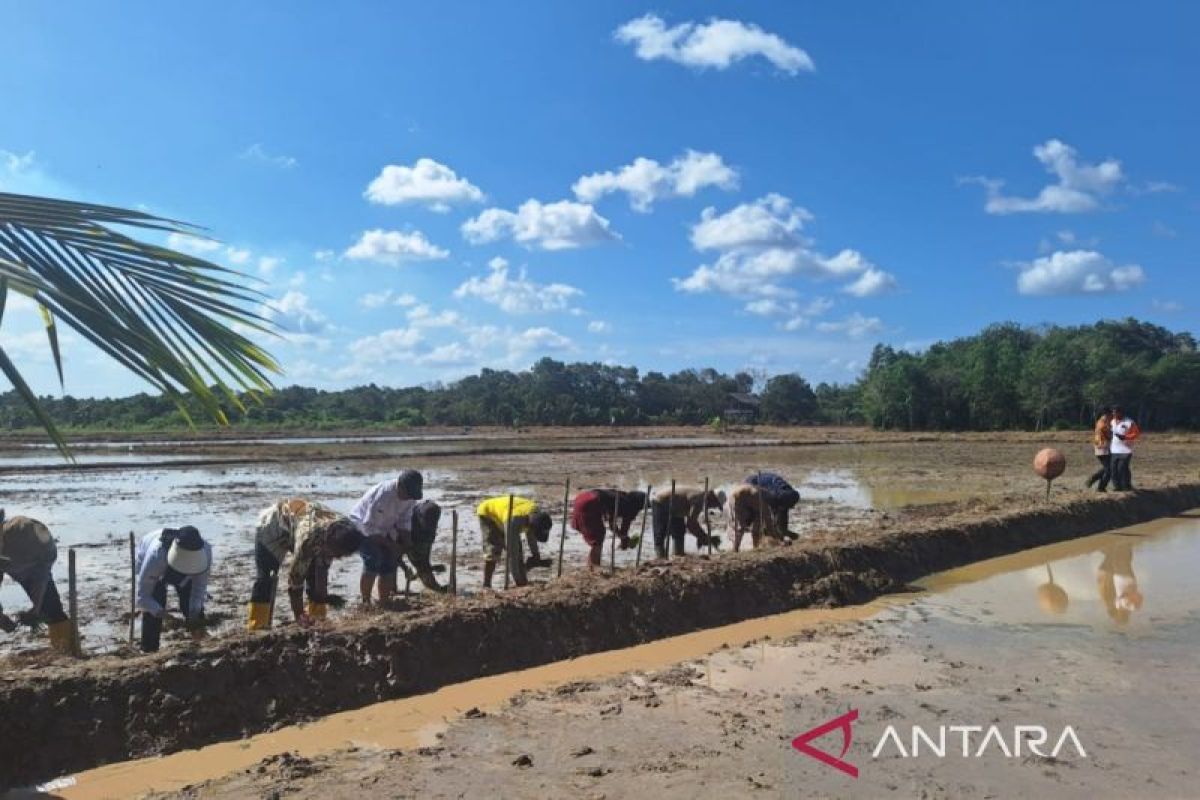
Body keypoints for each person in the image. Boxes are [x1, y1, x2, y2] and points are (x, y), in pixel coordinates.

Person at [248, 498, 365, 630]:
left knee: (315, 574)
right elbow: (295, 584)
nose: (338, 557)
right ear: (330, 542)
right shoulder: (308, 541)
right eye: (337, 553)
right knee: (267, 578)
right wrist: (299, 616)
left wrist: (322, 597)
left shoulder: (346, 530)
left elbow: (321, 570)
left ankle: (318, 619)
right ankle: (258, 625)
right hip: (272, 528)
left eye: (343, 555)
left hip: (301, 526)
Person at [0, 511, 75, 654]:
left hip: (31, 562)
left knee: (51, 610)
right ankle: (66, 650)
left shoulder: (25, 537)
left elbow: (41, 575)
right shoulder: (19, 532)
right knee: (49, 609)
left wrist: (36, 608)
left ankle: (66, 651)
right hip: (26, 561)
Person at [351, 470, 423, 604]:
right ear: (400, 486)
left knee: (390, 562)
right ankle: (366, 602)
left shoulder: (410, 497)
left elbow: (404, 520)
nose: (409, 498)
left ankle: (384, 601)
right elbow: (369, 527)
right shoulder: (383, 495)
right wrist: (391, 545)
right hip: (362, 528)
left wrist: (407, 543)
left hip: (385, 528)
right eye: (408, 494)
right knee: (373, 559)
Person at [135, 526, 211, 653]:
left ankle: (200, 639)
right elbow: (142, 597)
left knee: (191, 602)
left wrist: (194, 615)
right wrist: (163, 614)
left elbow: (199, 590)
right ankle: (149, 649)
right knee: (155, 601)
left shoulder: (205, 552)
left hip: (186, 572)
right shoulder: (156, 556)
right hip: (156, 565)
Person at [476, 495, 553, 588]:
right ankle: (486, 585)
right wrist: (519, 585)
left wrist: (536, 555)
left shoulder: (536, 516)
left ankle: (522, 581)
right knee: (493, 550)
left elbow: (531, 537)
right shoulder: (515, 521)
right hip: (488, 514)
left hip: (508, 514)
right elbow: (512, 554)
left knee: (519, 552)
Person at [572, 489, 647, 570]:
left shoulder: (619, 497)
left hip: (582, 497)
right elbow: (624, 527)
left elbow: (612, 524)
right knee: (598, 536)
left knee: (598, 535)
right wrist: (624, 538)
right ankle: (594, 565)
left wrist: (622, 537)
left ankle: (591, 565)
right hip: (591, 502)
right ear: (638, 505)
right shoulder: (629, 507)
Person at [650, 487, 722, 559]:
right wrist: (704, 538)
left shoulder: (702, 497)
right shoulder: (700, 500)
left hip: (676, 508)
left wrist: (702, 537)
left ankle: (678, 555)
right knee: (660, 532)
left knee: (679, 531)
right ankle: (660, 558)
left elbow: (691, 522)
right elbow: (691, 524)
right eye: (715, 504)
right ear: (712, 498)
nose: (713, 507)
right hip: (660, 501)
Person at [727, 483, 787, 552]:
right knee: (741, 527)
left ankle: (755, 547)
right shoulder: (765, 501)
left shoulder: (766, 497)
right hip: (738, 498)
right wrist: (780, 539)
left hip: (748, 499)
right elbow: (769, 525)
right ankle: (735, 549)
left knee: (757, 526)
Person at [745, 472, 801, 540]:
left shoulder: (788, 493)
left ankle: (780, 534)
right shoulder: (774, 495)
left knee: (780, 526)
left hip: (777, 494)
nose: (793, 507)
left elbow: (780, 510)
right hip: (757, 488)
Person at [1108, 406, 1141, 492]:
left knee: (1122, 468)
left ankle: (1126, 486)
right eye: (1113, 412)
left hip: (1125, 450)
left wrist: (1125, 437)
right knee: (1113, 470)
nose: (1113, 414)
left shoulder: (1129, 422)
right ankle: (1117, 487)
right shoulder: (1112, 422)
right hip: (1114, 450)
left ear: (1121, 412)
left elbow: (1136, 434)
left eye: (1115, 412)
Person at [1085, 410, 1113, 492]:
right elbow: (1110, 436)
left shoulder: (1099, 422)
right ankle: (1101, 487)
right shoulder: (1104, 425)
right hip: (1103, 449)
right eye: (1110, 415)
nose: (1111, 417)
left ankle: (1093, 479)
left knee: (1107, 468)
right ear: (1106, 415)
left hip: (1100, 448)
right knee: (1109, 469)